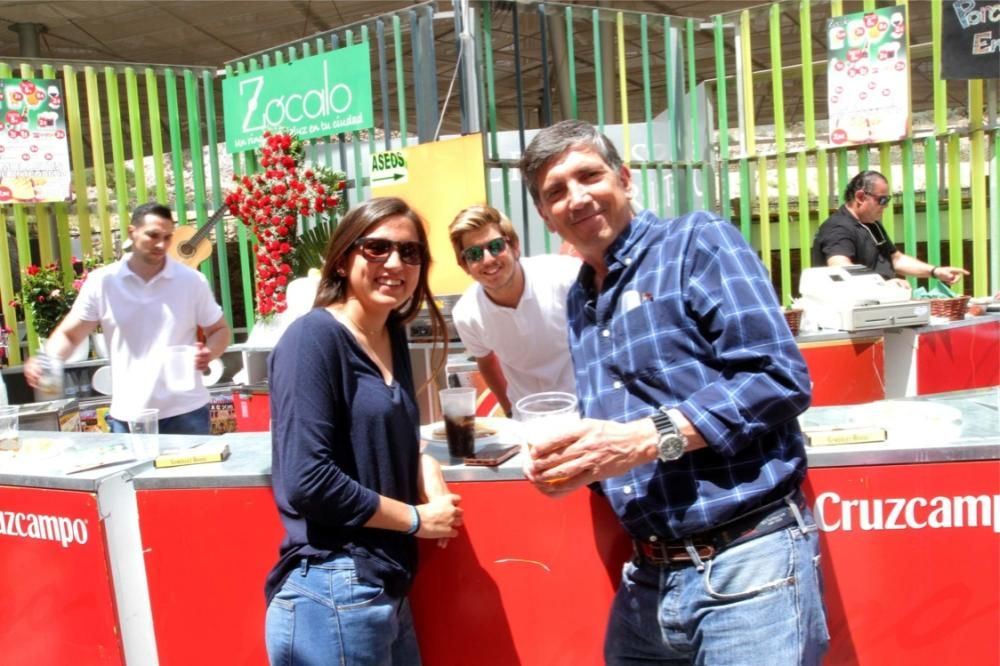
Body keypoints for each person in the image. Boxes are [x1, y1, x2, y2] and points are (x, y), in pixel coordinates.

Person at [518, 120, 828, 665]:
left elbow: (780, 377)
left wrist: (644, 439)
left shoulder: (695, 241)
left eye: (589, 175)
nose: (577, 197)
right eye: (555, 192)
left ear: (624, 178)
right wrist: (578, 466)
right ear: (544, 215)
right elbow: (615, 430)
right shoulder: (579, 299)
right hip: (649, 579)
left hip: (746, 559)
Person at [264, 197, 463, 665]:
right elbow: (309, 482)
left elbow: (381, 441)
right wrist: (417, 519)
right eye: (377, 248)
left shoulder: (389, 332)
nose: (395, 263)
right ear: (344, 257)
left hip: (379, 583)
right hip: (332, 585)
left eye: (410, 253)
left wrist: (426, 466)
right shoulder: (312, 338)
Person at [25, 202, 230, 435]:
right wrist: (46, 359)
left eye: (167, 237)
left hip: (186, 413)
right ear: (132, 232)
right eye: (153, 235)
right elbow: (70, 334)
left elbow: (220, 331)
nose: (161, 244)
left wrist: (209, 353)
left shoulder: (191, 281)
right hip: (129, 416)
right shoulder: (103, 282)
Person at [448, 204, 580, 417]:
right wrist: (509, 410)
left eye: (496, 245)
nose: (488, 259)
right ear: (464, 265)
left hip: (586, 411)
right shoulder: (466, 314)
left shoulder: (565, 276)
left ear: (515, 246)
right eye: (473, 254)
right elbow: (486, 362)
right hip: (527, 422)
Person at [812, 170, 968, 286]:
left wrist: (935, 271)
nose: (886, 205)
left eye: (888, 199)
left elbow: (896, 259)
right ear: (860, 197)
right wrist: (883, 285)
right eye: (882, 199)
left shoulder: (871, 224)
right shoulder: (839, 227)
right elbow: (840, 267)